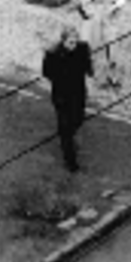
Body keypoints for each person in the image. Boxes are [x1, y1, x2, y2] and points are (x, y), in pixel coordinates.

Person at [41, 25, 94, 172]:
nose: (73, 45)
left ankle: (68, 136)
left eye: (75, 41)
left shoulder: (82, 48)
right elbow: (46, 72)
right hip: (62, 96)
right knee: (65, 126)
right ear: (63, 41)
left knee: (78, 120)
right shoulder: (53, 54)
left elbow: (88, 64)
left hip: (78, 93)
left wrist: (89, 69)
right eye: (71, 42)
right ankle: (70, 160)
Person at [80, 0, 127, 87]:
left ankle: (112, 75)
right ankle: (92, 71)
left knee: (112, 44)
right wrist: (90, 12)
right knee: (93, 43)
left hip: (110, 16)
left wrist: (115, 7)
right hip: (95, 14)